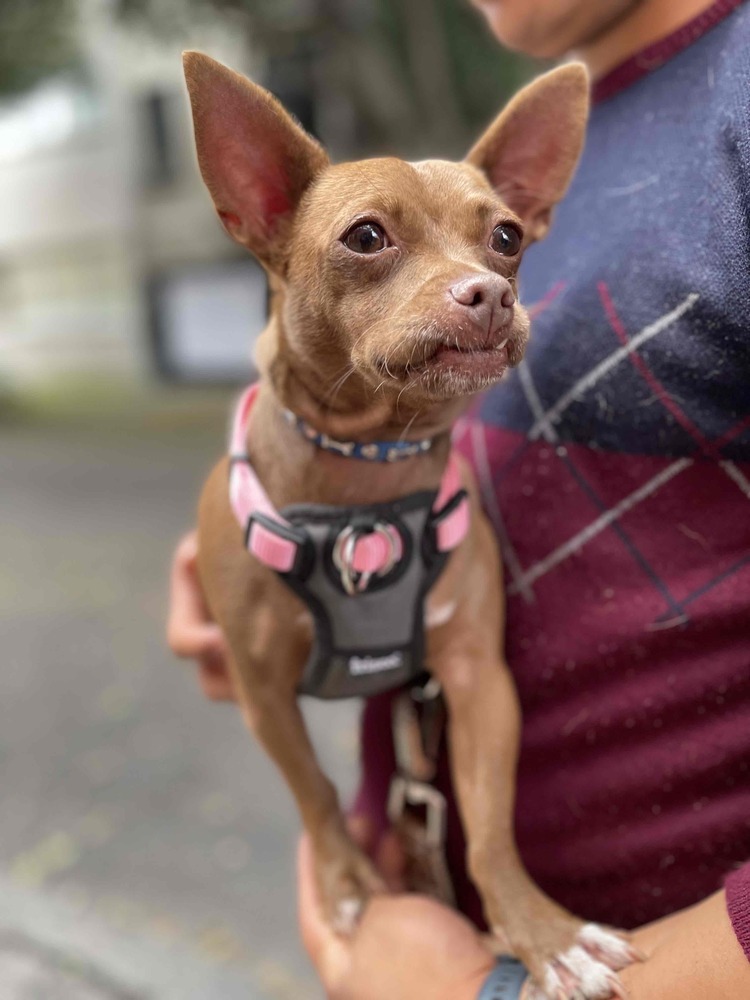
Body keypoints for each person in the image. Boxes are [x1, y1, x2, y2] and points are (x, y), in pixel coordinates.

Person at [168, 0, 750, 995]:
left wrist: (481, 993)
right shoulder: (596, 111)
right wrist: (270, 534)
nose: (482, 280)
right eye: (368, 240)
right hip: (406, 894)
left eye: (503, 243)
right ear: (255, 206)